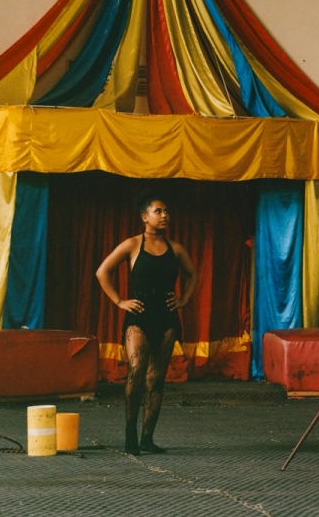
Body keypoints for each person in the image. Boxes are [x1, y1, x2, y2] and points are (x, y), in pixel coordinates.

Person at [96, 193, 198, 456]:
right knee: (137, 370)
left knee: (156, 379)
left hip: (166, 318)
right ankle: (130, 434)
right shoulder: (131, 245)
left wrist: (183, 299)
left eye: (167, 212)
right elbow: (102, 271)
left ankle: (147, 439)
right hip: (138, 317)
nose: (165, 215)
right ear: (145, 217)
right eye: (159, 211)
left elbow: (192, 275)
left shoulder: (175, 249)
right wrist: (119, 301)